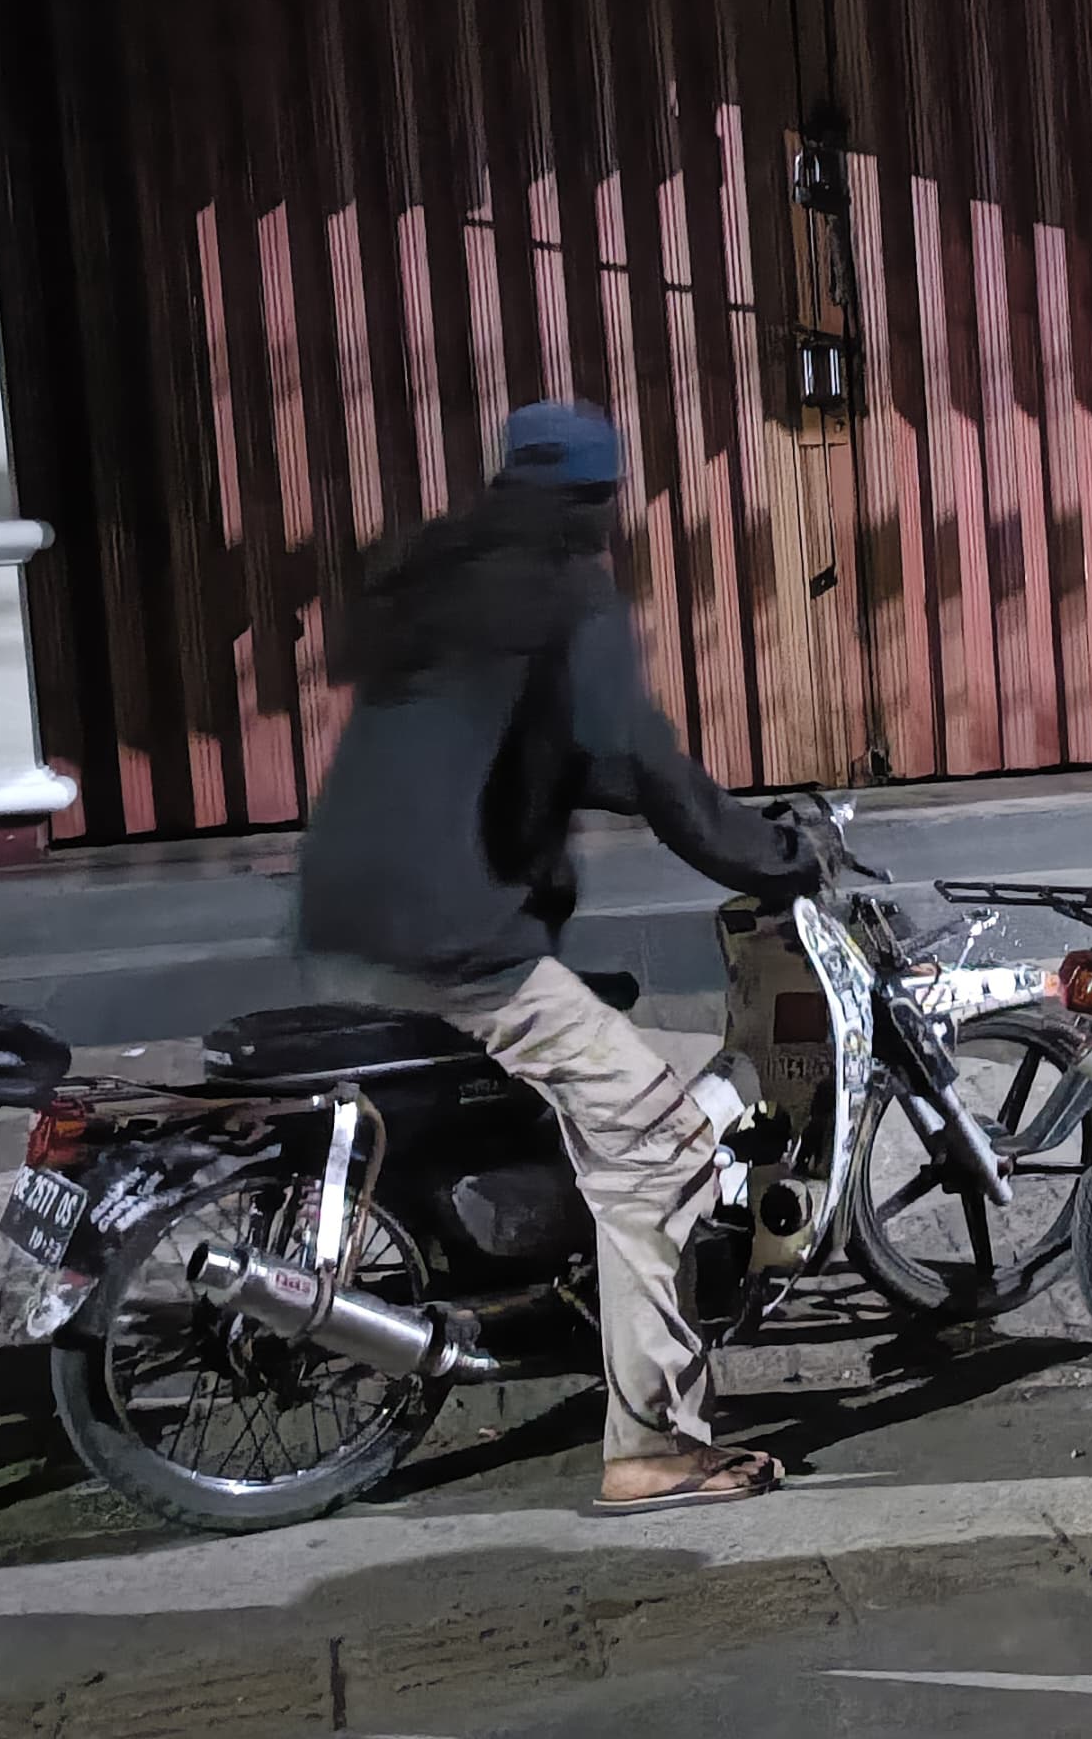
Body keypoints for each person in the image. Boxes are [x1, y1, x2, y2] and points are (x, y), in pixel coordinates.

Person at [296, 400, 820, 1516]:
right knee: (658, 1146)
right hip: (458, 940)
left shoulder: (440, 580)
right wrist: (773, 858)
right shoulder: (563, 589)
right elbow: (641, 754)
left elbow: (544, 749)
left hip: (345, 917)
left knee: (581, 1054)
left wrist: (648, 799)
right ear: (599, 499)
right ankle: (655, 1446)